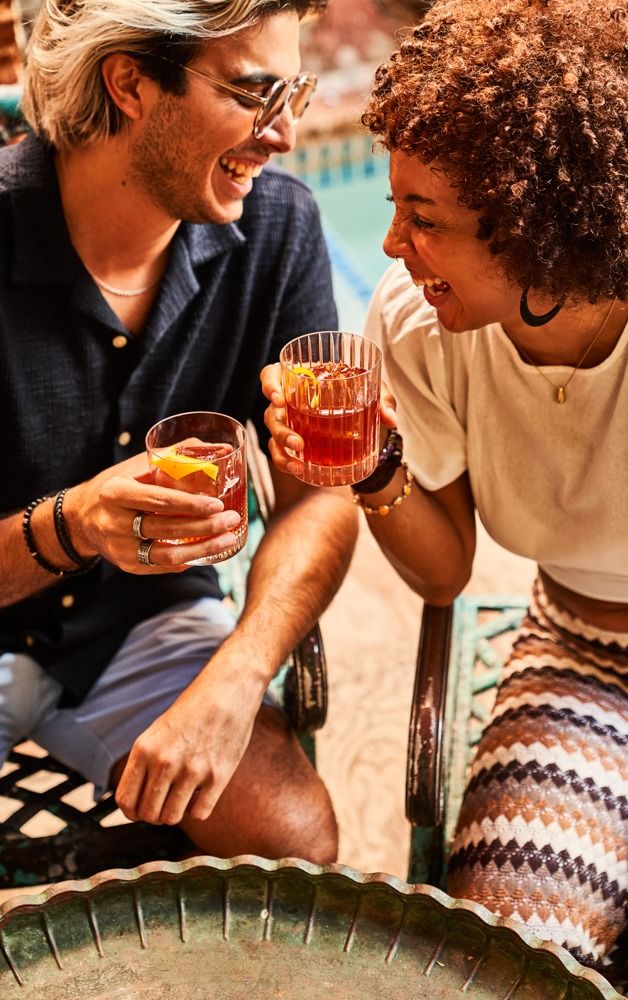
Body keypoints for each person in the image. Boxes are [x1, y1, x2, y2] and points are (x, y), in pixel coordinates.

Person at [262, 0, 628, 991]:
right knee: (502, 966)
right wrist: (370, 463)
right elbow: (442, 571)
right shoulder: (417, 324)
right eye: (392, 210)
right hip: (584, 660)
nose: (394, 245)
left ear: (537, 227)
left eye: (425, 219)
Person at [0, 0, 359, 864]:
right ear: (129, 82)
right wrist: (75, 522)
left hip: (151, 622)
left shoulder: (280, 228)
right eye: (250, 93)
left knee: (293, 844)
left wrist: (238, 677)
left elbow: (322, 500)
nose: (281, 138)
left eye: (291, 95)